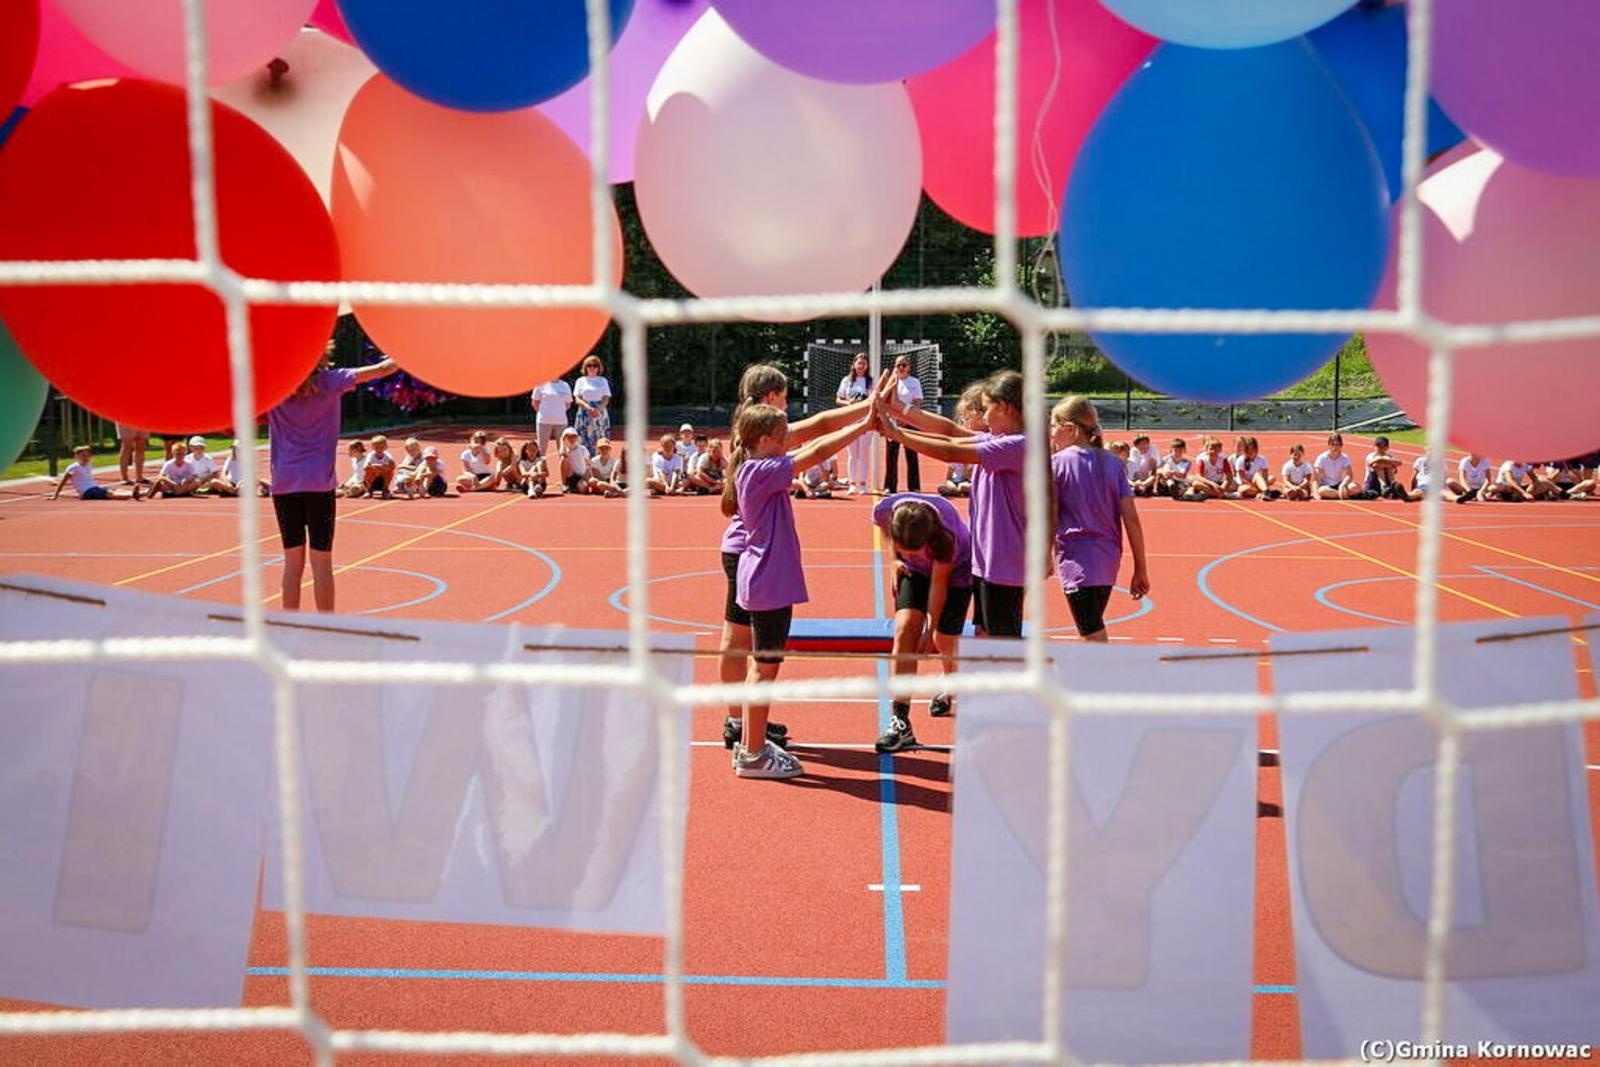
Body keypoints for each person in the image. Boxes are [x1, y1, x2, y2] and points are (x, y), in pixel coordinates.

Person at [718, 363, 883, 754]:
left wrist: (867, 410)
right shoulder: (766, 438)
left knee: (737, 640)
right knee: (756, 652)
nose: (789, 405)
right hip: (753, 554)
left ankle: (740, 720)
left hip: (742, 548)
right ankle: (746, 732)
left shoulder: (750, 434)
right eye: (785, 396)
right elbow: (820, 436)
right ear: (770, 397)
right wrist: (867, 415)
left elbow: (821, 428)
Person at [878, 370, 1029, 638]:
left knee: (1002, 639)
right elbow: (948, 431)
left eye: (987, 409)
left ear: (1004, 408)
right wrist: (898, 407)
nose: (982, 417)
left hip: (1004, 563)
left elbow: (949, 449)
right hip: (986, 560)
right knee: (985, 633)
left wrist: (897, 433)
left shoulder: (1018, 445)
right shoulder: (999, 440)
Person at [266, 347, 399, 612]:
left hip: (285, 482)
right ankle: (327, 626)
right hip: (319, 483)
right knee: (322, 562)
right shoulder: (332, 380)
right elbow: (382, 369)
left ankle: (290, 625)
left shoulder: (273, 386)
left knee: (292, 563)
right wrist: (409, 352)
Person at [872, 493, 972, 754]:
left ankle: (951, 683)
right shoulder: (885, 510)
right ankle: (900, 721)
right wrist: (895, 558)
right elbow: (883, 528)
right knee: (904, 629)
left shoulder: (947, 538)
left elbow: (938, 586)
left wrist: (931, 627)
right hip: (913, 571)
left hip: (956, 574)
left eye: (912, 551)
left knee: (943, 639)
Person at [1048, 397, 1150, 642]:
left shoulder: (1056, 464)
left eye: (1053, 426)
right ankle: (1087, 677)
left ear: (1069, 429)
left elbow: (1048, 517)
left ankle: (1108, 678)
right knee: (1091, 630)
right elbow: (1131, 520)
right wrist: (1140, 568)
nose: (1051, 434)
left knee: (1093, 635)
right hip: (1107, 561)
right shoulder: (1114, 463)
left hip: (1076, 562)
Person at [883, 354, 924, 493]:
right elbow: (885, 402)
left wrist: (906, 418)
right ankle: (889, 486)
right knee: (891, 456)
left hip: (910, 422)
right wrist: (894, 417)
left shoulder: (915, 382)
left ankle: (914, 487)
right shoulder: (891, 382)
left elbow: (917, 402)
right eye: (898, 365)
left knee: (911, 455)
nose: (901, 367)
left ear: (909, 367)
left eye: (903, 365)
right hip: (893, 422)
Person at [836, 352, 876, 494]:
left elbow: (874, 399)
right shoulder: (847, 381)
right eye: (859, 363)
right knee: (852, 454)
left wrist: (865, 402)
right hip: (850, 421)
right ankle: (852, 483)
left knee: (864, 454)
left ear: (867, 366)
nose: (861, 366)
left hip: (865, 421)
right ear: (854, 364)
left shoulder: (870, 382)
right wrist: (849, 403)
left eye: (863, 364)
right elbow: (838, 399)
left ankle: (863, 484)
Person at [52, 445, 138, 500]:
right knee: (110, 494)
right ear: (76, 456)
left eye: (88, 455)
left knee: (115, 490)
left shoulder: (88, 465)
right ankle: (132, 495)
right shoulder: (74, 467)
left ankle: (142, 492)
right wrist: (55, 495)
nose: (86, 458)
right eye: (83, 455)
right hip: (87, 492)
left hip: (94, 488)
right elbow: (63, 481)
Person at [573, 355, 612, 454]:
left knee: (600, 438)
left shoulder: (603, 380)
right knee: (583, 439)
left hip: (600, 413)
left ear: (599, 368)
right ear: (585, 367)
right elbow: (577, 398)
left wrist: (597, 409)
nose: (592, 368)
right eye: (589, 365)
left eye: (595, 366)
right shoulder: (580, 381)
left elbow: (606, 397)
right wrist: (588, 408)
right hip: (584, 412)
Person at [530, 378, 573, 456]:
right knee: (541, 449)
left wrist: (558, 412)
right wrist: (544, 413)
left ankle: (563, 468)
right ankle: (541, 467)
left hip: (561, 422)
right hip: (543, 421)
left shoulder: (565, 385)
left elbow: (568, 404)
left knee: (563, 449)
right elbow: (535, 403)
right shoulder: (540, 384)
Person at [1314, 433, 1362, 500]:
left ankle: (1340, 494)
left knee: (1356, 487)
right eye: (1332, 444)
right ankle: (1343, 495)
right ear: (1328, 445)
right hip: (1326, 486)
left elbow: (1349, 476)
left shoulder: (1344, 457)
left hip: (1339, 483)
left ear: (1341, 445)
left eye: (1337, 444)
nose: (1334, 447)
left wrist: (1342, 485)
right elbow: (1316, 479)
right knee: (1321, 491)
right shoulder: (1321, 458)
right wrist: (1316, 493)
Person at [1188, 435, 1233, 500]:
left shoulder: (1223, 459)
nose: (1213, 451)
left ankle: (1210, 493)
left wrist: (1223, 487)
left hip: (1219, 483)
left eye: (1216, 449)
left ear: (1220, 450)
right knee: (1196, 484)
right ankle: (1218, 494)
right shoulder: (1202, 459)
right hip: (1207, 482)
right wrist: (1212, 484)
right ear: (1206, 450)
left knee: (1234, 486)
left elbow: (1229, 476)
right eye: (1211, 449)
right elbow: (1199, 476)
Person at [1363, 436, 1405, 500]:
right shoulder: (1371, 456)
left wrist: (1382, 460)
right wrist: (1388, 463)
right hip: (1373, 481)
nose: (1380, 449)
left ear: (1387, 447)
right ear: (1374, 447)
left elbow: (1399, 463)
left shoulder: (1390, 456)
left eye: (1382, 447)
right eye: (1378, 447)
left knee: (1388, 467)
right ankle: (1384, 486)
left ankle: (1392, 485)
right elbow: (1374, 465)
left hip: (1387, 480)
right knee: (1380, 466)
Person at [558, 426, 592, 494]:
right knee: (563, 458)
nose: (572, 439)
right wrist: (562, 440)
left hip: (582, 476)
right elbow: (562, 452)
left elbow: (589, 464)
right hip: (570, 475)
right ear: (565, 439)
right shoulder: (565, 450)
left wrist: (586, 476)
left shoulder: (583, 449)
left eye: (574, 437)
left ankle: (574, 487)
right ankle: (564, 484)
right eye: (569, 437)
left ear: (577, 438)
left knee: (584, 489)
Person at [363, 434, 397, 499]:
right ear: (373, 447)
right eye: (376, 447)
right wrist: (377, 468)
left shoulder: (387, 456)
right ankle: (369, 489)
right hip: (373, 478)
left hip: (383, 478)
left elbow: (393, 466)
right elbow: (365, 467)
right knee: (368, 471)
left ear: (386, 447)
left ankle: (385, 489)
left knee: (389, 471)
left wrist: (383, 468)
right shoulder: (371, 455)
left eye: (381, 447)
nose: (379, 450)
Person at [1126, 433, 1160, 497]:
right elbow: (1134, 468)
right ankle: (1139, 488)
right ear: (1136, 446)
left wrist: (1145, 482)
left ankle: (1146, 486)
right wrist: (1138, 479)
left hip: (1151, 475)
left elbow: (1154, 467)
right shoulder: (1133, 451)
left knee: (1155, 473)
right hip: (1139, 476)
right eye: (1141, 444)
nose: (1145, 446)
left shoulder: (1153, 448)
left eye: (1146, 443)